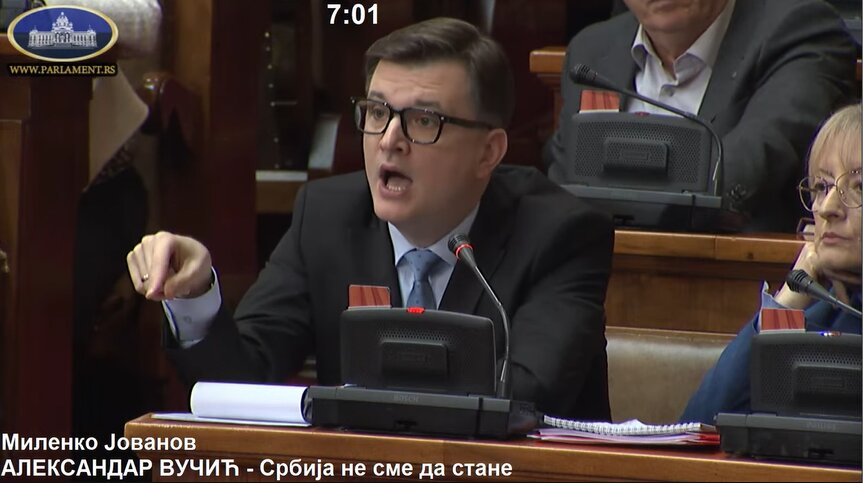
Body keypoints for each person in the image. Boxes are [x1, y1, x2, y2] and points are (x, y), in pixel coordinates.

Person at [126, 18, 615, 420]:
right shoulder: (326, 218)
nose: (389, 141)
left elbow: (528, 396)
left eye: (423, 121)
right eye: (377, 112)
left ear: (488, 152)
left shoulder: (561, 235)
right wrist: (195, 297)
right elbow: (241, 381)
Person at [545, 0, 857, 232]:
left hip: (737, 283)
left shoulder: (798, 31)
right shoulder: (591, 52)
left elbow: (753, 162)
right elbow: (564, 189)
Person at [681, 103, 862, 424]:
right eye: (822, 187)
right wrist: (787, 302)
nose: (827, 208)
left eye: (859, 187)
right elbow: (702, 423)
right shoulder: (821, 313)